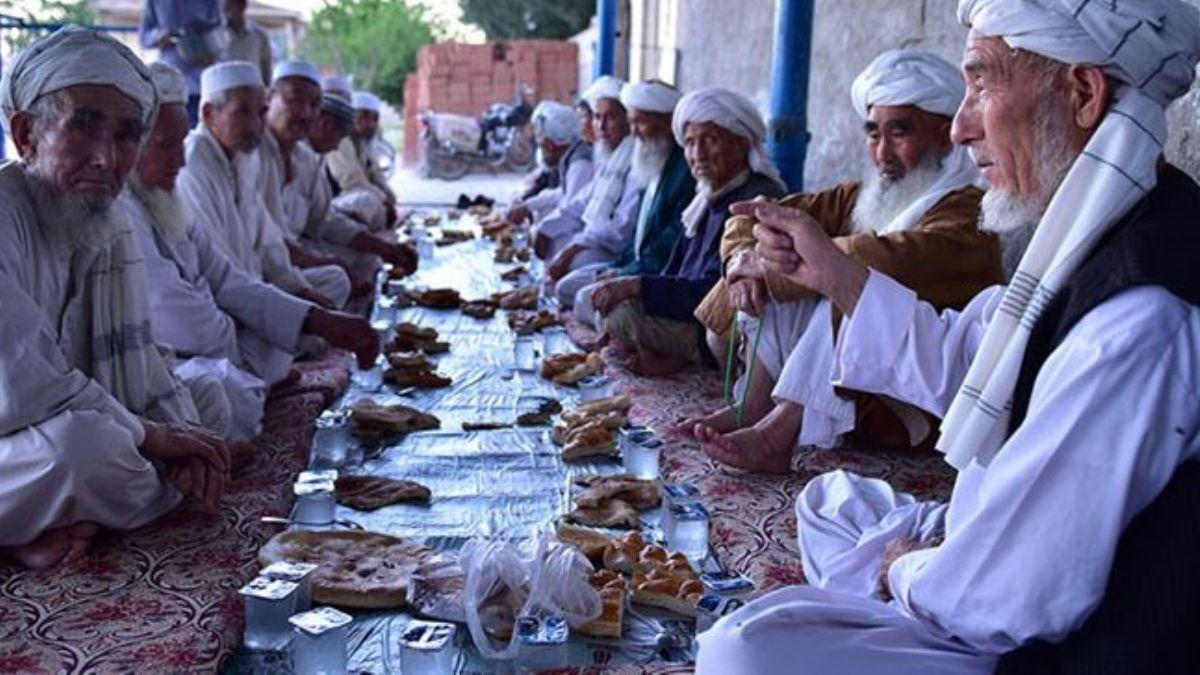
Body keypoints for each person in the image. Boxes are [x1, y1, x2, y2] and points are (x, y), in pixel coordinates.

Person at [697, 1, 1200, 672]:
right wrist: (835, 273)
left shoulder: (1138, 318)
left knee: (744, 651)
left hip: (1048, 642)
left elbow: (1013, 599)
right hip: (1001, 560)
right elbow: (965, 355)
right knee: (832, 499)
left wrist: (901, 568)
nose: (965, 126)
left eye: (983, 84)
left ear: (1083, 94)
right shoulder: (1100, 230)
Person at [683, 50, 1002, 472]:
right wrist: (745, 257)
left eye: (899, 133)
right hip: (857, 388)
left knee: (852, 288)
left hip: (915, 399)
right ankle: (753, 404)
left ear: (945, 137)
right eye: (873, 134)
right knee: (782, 257)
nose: (882, 152)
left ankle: (780, 432)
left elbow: (884, 262)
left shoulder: (969, 212)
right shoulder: (859, 196)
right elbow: (756, 212)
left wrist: (778, 267)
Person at [0, 28, 233, 569]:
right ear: (25, 134)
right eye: (84, 125)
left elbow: (139, 366)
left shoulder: (99, 224)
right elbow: (22, 384)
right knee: (84, 449)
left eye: (128, 135)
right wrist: (150, 436)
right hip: (25, 444)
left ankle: (44, 525)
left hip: (46, 437)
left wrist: (165, 430)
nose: (107, 158)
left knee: (206, 408)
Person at [126, 62, 378, 444]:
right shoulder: (183, 172)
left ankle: (256, 374)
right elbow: (179, 314)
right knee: (228, 393)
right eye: (165, 145)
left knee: (265, 354)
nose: (178, 159)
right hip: (194, 345)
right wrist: (251, 326)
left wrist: (316, 318)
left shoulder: (174, 189)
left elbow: (233, 271)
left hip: (221, 329)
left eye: (259, 111)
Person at [588, 87, 787, 377]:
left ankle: (690, 357)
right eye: (691, 143)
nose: (697, 154)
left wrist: (638, 286)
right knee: (609, 303)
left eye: (710, 140)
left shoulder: (757, 200)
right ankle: (673, 354)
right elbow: (675, 268)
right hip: (691, 314)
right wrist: (633, 285)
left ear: (742, 143)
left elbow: (716, 293)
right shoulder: (705, 198)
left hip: (724, 329)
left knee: (622, 314)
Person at [176, 61, 346, 310]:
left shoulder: (245, 157)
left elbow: (269, 243)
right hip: (225, 301)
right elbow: (221, 270)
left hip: (257, 287)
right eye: (243, 112)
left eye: (260, 112)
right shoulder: (194, 161)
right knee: (296, 327)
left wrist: (301, 291)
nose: (257, 125)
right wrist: (303, 315)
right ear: (209, 114)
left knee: (333, 282)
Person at [256, 61, 414, 293]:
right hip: (262, 266)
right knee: (336, 277)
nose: (305, 114)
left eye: (314, 104)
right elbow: (265, 244)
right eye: (295, 100)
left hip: (296, 252)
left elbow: (325, 220)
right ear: (269, 99)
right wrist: (323, 261)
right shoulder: (252, 155)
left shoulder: (305, 159)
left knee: (361, 255)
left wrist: (385, 249)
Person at [547, 80, 688, 307]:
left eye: (640, 123)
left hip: (654, 279)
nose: (634, 132)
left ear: (667, 122)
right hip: (630, 264)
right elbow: (637, 241)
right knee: (567, 288)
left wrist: (623, 274)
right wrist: (617, 270)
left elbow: (662, 248)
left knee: (584, 298)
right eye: (632, 123)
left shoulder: (681, 173)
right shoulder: (650, 161)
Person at [531, 75, 636, 262]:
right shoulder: (609, 157)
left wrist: (576, 245)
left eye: (610, 117)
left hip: (618, 251)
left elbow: (620, 230)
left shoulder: (634, 161)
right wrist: (546, 228)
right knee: (552, 238)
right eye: (597, 117)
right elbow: (582, 200)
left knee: (572, 262)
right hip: (595, 238)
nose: (601, 126)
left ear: (627, 120)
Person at [506, 101, 594, 228]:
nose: (543, 150)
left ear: (551, 145)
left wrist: (541, 229)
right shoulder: (570, 157)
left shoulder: (580, 164)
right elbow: (563, 192)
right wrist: (527, 205)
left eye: (543, 145)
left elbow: (570, 210)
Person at [138, 0, 223, 124]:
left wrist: (211, 50)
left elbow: (221, 33)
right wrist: (159, 36)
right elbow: (144, 37)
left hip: (202, 81)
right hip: (170, 83)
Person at [325, 90, 398, 229]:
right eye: (363, 117)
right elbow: (352, 181)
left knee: (376, 201)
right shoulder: (340, 140)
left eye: (374, 119)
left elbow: (376, 176)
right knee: (365, 201)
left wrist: (389, 196)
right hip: (337, 200)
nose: (369, 124)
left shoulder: (364, 143)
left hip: (358, 194)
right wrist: (383, 200)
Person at [222, 0, 272, 86]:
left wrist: (266, 88)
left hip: (252, 89)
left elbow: (266, 65)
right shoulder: (218, 33)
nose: (226, 8)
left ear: (243, 6)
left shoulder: (259, 35)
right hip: (226, 88)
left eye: (230, 4)